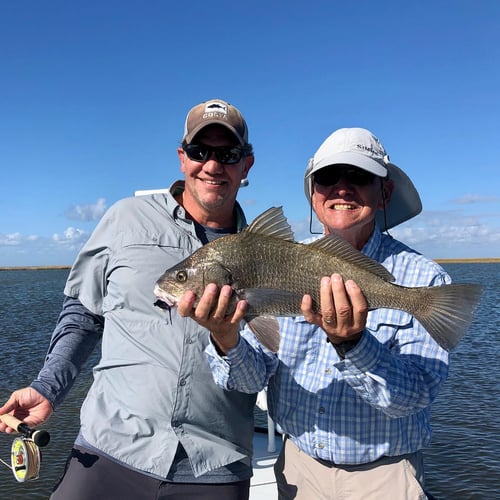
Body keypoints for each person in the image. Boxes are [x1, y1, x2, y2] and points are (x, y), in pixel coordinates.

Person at [0, 99, 257, 500]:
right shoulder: (125, 218)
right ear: (181, 157)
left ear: (247, 165)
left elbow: (271, 355)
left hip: (215, 465)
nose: (212, 165)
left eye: (227, 154)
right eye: (199, 151)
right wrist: (48, 387)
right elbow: (84, 315)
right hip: (110, 450)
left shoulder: (264, 252)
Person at [197, 127, 451, 499]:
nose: (342, 188)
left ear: (385, 193)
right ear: (314, 195)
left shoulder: (425, 280)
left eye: (360, 177)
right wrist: (225, 336)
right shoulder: (276, 258)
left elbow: (413, 397)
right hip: (297, 469)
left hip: (385, 478)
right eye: (327, 178)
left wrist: (354, 343)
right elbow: (249, 381)